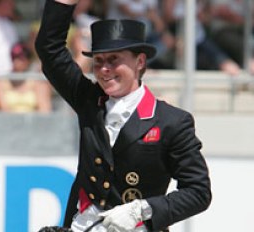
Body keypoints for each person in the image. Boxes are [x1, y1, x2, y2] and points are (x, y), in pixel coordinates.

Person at [36, 0, 212, 232]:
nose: (104, 70)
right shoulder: (89, 100)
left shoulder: (172, 121)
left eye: (113, 60)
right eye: (98, 62)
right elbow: (50, 50)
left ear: (139, 62)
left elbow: (198, 192)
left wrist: (141, 210)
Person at [0, 42, 52, 113]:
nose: (17, 62)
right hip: (8, 122)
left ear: (28, 61)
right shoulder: (0, 83)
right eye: (14, 57)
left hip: (32, 122)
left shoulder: (37, 83)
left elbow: (44, 110)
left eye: (21, 58)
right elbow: (3, 109)